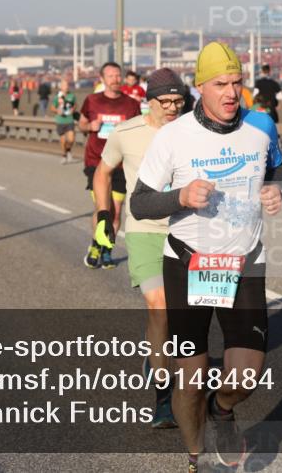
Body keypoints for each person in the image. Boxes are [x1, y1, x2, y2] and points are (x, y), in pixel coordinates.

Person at [131, 42, 282, 471]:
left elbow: (278, 169)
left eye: (237, 82)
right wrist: (180, 195)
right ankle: (197, 457)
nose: (232, 92)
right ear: (200, 88)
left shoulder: (261, 126)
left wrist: (277, 190)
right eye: (221, 84)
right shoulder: (173, 136)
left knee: (247, 376)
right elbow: (140, 204)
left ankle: (222, 407)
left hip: (245, 260)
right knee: (191, 377)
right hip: (188, 261)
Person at [93, 68, 187, 429]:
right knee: (159, 306)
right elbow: (103, 173)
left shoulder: (192, 132)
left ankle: (157, 356)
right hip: (145, 230)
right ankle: (164, 398)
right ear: (149, 100)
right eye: (166, 102)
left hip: (186, 231)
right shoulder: (126, 133)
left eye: (179, 101)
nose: (173, 108)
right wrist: (104, 214)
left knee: (186, 313)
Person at [79, 62, 141, 268]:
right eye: (111, 76)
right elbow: (81, 124)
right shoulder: (92, 100)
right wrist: (90, 126)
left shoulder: (131, 104)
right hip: (96, 163)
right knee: (102, 207)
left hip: (121, 165)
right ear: (102, 79)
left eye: (118, 75)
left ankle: (107, 249)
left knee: (116, 211)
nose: (115, 79)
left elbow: (137, 132)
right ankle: (97, 244)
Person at [50, 78, 77, 164]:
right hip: (60, 121)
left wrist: (73, 109)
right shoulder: (57, 97)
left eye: (67, 85)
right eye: (64, 85)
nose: (66, 87)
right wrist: (57, 111)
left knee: (71, 139)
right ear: (61, 87)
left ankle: (68, 150)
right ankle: (64, 155)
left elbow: (75, 104)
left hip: (69, 120)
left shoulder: (71, 96)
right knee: (63, 140)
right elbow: (52, 107)